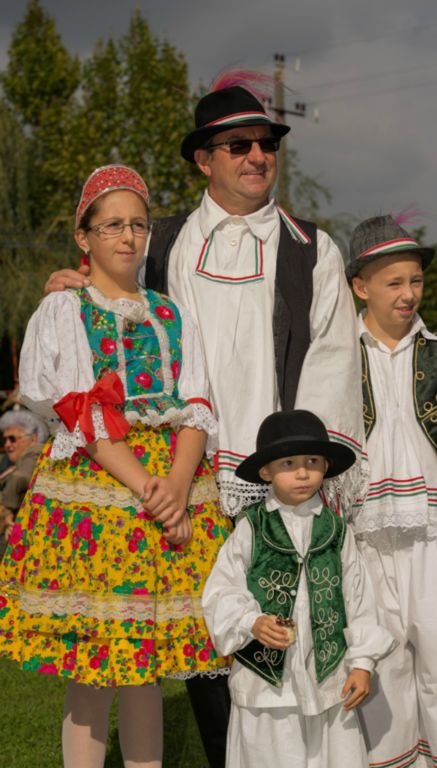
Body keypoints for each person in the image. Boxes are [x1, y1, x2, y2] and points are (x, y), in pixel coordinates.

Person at [43, 81, 365, 764]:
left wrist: (302, 467)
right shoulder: (160, 241)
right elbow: (114, 299)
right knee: (205, 640)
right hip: (180, 478)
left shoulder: (312, 250)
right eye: (238, 145)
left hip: (278, 478)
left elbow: (333, 365)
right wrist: (71, 282)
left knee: (290, 642)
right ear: (203, 159)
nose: (257, 155)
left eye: (267, 143)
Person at [0, 164, 232, 768]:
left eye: (138, 225)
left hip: (170, 488)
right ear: (84, 237)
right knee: (94, 667)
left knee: (144, 666)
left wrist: (175, 487)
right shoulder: (65, 309)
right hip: (98, 489)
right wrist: (149, 487)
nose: (128, 237)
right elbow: (79, 410)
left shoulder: (171, 313)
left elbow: (196, 405)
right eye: (112, 226)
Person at [345, 215, 437, 768]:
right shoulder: (341, 353)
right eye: (394, 282)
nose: (408, 294)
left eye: (416, 281)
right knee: (381, 674)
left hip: (433, 532)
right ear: (360, 286)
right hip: (366, 536)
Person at [202, 409, 395, 768]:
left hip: (328, 681)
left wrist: (362, 663)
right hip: (267, 686)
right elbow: (222, 590)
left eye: (312, 461)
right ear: (266, 472)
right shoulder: (251, 528)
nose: (303, 473)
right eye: (288, 463)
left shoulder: (337, 531)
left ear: (326, 466)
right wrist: (251, 621)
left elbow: (359, 598)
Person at [0, 409, 48, 553]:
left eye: (12, 439)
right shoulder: (16, 463)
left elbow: (19, 479)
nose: (7, 444)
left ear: (33, 439)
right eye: (4, 440)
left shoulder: (34, 453)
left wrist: (7, 512)